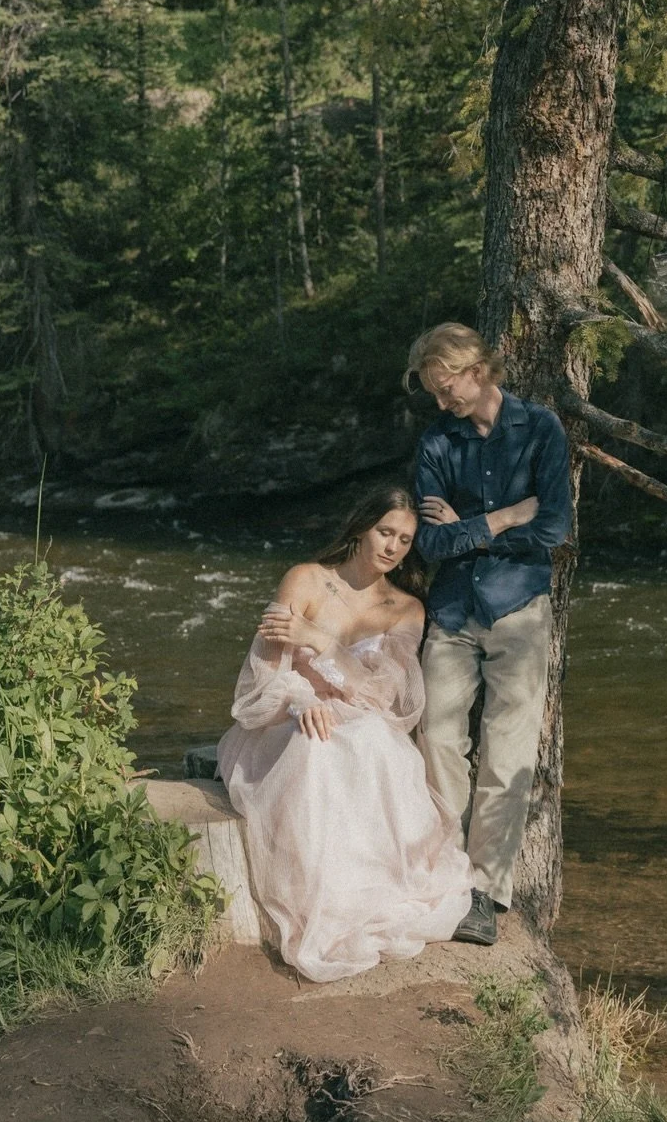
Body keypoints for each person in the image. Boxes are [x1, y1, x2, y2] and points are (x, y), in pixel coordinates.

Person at [217, 485, 473, 982]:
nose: (393, 547)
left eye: (404, 539)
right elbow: (260, 681)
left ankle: (367, 892)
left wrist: (320, 642)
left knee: (377, 744)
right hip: (282, 717)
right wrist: (302, 701)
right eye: (385, 532)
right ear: (361, 527)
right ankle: (320, 900)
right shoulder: (306, 580)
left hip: (361, 719)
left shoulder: (406, 609)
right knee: (316, 747)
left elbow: (385, 694)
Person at [406, 323, 572, 947]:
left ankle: (483, 892)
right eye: (434, 393)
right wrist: (504, 516)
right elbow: (430, 540)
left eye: (447, 389)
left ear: (478, 371)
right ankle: (445, 872)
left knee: (509, 751)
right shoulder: (436, 441)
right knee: (437, 738)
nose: (441, 402)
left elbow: (553, 527)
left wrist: (467, 527)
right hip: (451, 609)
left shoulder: (541, 429)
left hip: (519, 607)